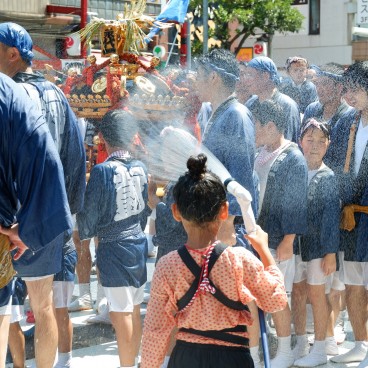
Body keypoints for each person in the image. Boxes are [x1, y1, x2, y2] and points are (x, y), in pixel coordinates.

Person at [140, 153, 288, 368]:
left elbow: (155, 329)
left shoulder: (167, 265)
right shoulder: (240, 259)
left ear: (175, 212)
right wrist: (264, 251)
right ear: (224, 210)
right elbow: (276, 300)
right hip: (232, 358)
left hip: (185, 358)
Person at [0, 22, 86, 368]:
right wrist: (67, 215)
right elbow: (74, 157)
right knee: (43, 303)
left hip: (10, 218)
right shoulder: (57, 94)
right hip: (45, 215)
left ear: (12, 54)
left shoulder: (9, 96)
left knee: (7, 308)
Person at [77, 109, 150, 368]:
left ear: (102, 137)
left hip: (114, 247)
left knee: (121, 315)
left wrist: (82, 232)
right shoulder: (141, 167)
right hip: (138, 243)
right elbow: (145, 209)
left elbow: (91, 213)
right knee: (133, 309)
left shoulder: (102, 171)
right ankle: (138, 361)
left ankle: (127, 365)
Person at [252, 100, 308, 368]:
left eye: (256, 124)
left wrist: (289, 239)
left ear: (271, 126)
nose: (252, 129)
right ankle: (268, 347)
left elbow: (297, 202)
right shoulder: (262, 151)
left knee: (279, 296)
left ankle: (285, 351)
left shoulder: (292, 157)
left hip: (280, 240)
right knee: (262, 295)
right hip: (262, 236)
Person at [303, 63, 354, 348]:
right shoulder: (312, 111)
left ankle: (336, 326)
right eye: (318, 84)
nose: (319, 89)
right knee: (314, 270)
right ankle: (323, 328)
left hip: (338, 194)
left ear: (338, 87)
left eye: (325, 84)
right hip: (312, 190)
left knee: (336, 270)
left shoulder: (348, 116)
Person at [326, 61, 368, 368]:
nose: (349, 95)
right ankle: (360, 342)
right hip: (352, 218)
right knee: (353, 283)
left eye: (355, 89)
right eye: (348, 89)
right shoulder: (346, 122)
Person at [194, 49, 257, 247]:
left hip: (228, 228)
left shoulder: (235, 114)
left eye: (198, 75)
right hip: (214, 218)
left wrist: (228, 223)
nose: (195, 81)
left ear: (213, 77)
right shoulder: (219, 111)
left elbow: (241, 174)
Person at [292, 119, 340, 367]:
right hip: (295, 246)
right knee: (297, 292)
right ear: (301, 141)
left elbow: (331, 219)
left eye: (322, 141)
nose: (315, 146)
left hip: (318, 249)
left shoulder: (328, 176)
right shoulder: (295, 169)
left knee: (317, 294)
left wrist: (330, 253)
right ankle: (300, 341)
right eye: (310, 140)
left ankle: (320, 347)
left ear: (328, 145)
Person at [243, 56, 301, 143]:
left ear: (265, 76)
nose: (245, 80)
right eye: (245, 75)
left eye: (250, 75)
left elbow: (289, 144)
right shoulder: (250, 104)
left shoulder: (287, 105)